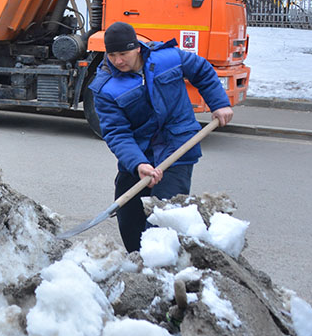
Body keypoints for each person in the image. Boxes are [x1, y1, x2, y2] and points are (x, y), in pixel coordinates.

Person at [89, 21, 233, 253]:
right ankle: (140, 263)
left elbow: (202, 71)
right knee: (128, 216)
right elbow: (117, 133)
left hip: (177, 148)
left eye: (123, 53)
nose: (118, 61)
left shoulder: (167, 58)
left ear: (137, 48)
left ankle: (160, 265)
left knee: (162, 218)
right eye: (112, 54)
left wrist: (219, 103)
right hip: (139, 155)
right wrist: (138, 164)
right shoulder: (106, 88)